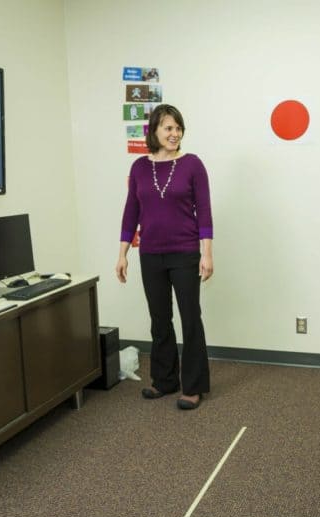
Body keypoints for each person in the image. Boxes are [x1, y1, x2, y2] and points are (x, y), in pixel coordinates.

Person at [116, 104, 214, 410]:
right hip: (150, 254)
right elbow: (131, 212)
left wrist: (206, 253)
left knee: (190, 319)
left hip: (185, 252)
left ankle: (193, 386)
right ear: (154, 131)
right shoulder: (139, 168)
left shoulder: (193, 164)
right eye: (168, 128)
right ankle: (165, 381)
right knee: (160, 320)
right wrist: (122, 254)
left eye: (178, 128)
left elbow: (205, 212)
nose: (174, 133)